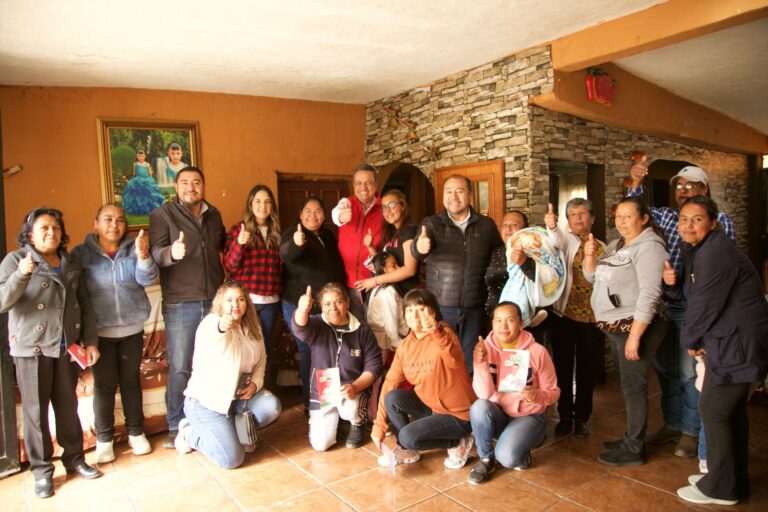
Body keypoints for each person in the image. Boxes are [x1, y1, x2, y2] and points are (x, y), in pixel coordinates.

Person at [628, 161, 736, 457]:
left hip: (694, 306)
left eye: (691, 186)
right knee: (666, 369)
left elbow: (722, 265)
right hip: (663, 305)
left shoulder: (720, 221)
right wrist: (636, 181)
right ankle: (673, 423)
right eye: (679, 186)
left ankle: (691, 431)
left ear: (704, 190)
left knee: (690, 372)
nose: (684, 191)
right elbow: (636, 207)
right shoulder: (664, 216)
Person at [665, 196, 768, 506]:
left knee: (715, 411)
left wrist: (691, 341)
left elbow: (703, 305)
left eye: (696, 219)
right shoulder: (703, 250)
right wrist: (672, 285)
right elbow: (690, 294)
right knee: (729, 413)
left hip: (736, 343)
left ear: (713, 222)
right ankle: (731, 478)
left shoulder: (714, 253)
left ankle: (721, 487)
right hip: (731, 341)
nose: (688, 225)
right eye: (683, 219)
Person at [0, 207, 101, 498]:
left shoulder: (68, 262)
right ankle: (42, 471)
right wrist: (21, 276)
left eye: (56, 228)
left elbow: (85, 303)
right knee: (35, 413)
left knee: (67, 407)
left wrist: (90, 341)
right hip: (31, 348)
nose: (51, 233)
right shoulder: (16, 260)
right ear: (30, 233)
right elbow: (3, 301)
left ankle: (74, 459)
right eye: (44, 228)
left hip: (64, 346)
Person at [583, 196, 668, 467]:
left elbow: (651, 294)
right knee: (628, 386)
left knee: (634, 387)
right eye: (618, 216)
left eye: (628, 216)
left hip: (634, 326)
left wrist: (635, 336)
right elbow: (592, 277)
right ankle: (631, 438)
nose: (621, 222)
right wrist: (588, 256)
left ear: (644, 218)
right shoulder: (616, 245)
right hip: (617, 327)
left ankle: (634, 449)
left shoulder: (650, 247)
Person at [71, 204, 159, 463]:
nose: (114, 225)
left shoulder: (135, 248)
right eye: (108, 219)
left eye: (120, 220)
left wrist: (144, 256)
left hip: (132, 329)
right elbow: (74, 292)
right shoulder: (81, 255)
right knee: (104, 385)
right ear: (95, 223)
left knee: (131, 381)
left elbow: (148, 279)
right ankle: (104, 440)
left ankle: (136, 433)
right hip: (98, 334)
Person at [149, 166, 225, 448]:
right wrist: (172, 252)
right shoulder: (162, 215)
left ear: (203, 186)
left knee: (215, 362)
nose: (191, 187)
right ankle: (175, 424)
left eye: (196, 182)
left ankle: (213, 416)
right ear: (176, 187)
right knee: (181, 365)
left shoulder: (214, 214)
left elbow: (222, 248)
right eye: (185, 182)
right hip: (181, 302)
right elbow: (156, 253)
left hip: (215, 300)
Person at [175, 281, 282, 468]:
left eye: (241, 299)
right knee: (231, 460)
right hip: (208, 404)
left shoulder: (252, 325)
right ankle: (190, 434)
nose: (235, 305)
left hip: (237, 399)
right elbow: (216, 332)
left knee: (271, 406)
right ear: (220, 304)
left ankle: (235, 433)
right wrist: (222, 326)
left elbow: (262, 359)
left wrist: (256, 384)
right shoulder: (211, 324)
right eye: (229, 300)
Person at [371, 288, 477, 470]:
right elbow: (389, 383)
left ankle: (457, 442)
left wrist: (436, 333)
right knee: (393, 397)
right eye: (409, 310)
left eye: (421, 309)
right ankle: (408, 450)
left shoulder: (445, 333)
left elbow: (455, 360)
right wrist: (379, 424)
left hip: (458, 415)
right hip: (433, 408)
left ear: (433, 312)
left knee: (407, 436)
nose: (415, 315)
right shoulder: (405, 346)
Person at [411, 175, 503, 371]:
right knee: (442, 362)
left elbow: (499, 257)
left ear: (470, 195)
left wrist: (493, 294)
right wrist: (419, 246)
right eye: (448, 191)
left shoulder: (487, 226)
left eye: (459, 191)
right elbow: (416, 251)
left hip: (475, 307)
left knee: (473, 363)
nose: (453, 196)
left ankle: (470, 401)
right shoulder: (431, 224)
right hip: (441, 308)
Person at [468, 302, 560, 483]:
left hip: (528, 416)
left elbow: (554, 393)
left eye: (510, 320)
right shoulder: (484, 348)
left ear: (520, 323)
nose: (503, 326)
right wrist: (480, 363)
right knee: (479, 407)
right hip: (499, 413)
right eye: (498, 320)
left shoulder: (537, 352)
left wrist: (537, 395)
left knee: (508, 458)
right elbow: (484, 395)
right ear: (492, 323)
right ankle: (486, 458)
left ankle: (523, 449)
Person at [291, 283, 382, 451]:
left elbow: (374, 366)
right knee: (320, 445)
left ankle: (357, 422)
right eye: (327, 304)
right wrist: (302, 310)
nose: (333, 308)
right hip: (323, 392)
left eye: (338, 302)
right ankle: (335, 422)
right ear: (321, 306)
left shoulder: (362, 330)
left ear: (347, 302)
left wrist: (355, 387)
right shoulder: (317, 324)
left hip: (352, 391)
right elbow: (300, 328)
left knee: (350, 410)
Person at [545, 199, 606, 438]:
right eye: (572, 214)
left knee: (586, 369)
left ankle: (582, 417)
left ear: (593, 219)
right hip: (564, 315)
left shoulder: (602, 246)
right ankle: (565, 416)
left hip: (591, 318)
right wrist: (552, 227)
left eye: (583, 214)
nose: (578, 218)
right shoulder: (566, 240)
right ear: (568, 221)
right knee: (563, 366)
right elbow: (555, 240)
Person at [280, 196, 347, 412]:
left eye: (318, 211)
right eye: (307, 211)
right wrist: (297, 244)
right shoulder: (293, 233)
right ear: (300, 214)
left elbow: (335, 265)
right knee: (310, 352)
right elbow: (287, 254)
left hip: (327, 306)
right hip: (299, 304)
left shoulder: (327, 235)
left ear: (324, 215)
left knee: (327, 351)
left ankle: (328, 402)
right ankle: (313, 406)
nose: (313, 215)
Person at [223, 185, 282, 356]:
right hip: (246, 301)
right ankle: (245, 384)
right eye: (258, 201)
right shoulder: (238, 230)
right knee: (243, 351)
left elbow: (282, 268)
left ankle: (262, 383)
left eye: (267, 202)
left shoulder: (277, 232)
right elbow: (229, 266)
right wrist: (239, 243)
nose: (262, 206)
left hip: (271, 301)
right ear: (250, 204)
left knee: (266, 351)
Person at [331, 163, 385, 319]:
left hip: (376, 281)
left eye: (368, 182)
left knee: (377, 327)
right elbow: (335, 213)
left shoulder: (384, 207)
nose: (363, 187)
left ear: (375, 185)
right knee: (354, 325)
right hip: (349, 282)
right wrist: (341, 217)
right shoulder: (347, 203)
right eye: (359, 183)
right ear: (354, 185)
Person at [354, 189, 419, 296]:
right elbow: (384, 261)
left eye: (391, 205)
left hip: (406, 294)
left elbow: (410, 269)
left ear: (403, 206)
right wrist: (370, 246)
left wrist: (374, 281)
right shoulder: (391, 232)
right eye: (384, 207)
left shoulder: (409, 231)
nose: (387, 211)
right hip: (392, 292)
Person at [485, 210, 530, 314]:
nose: (508, 229)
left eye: (514, 225)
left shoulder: (534, 252)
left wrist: (525, 262)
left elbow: (544, 280)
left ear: (525, 229)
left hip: (526, 316)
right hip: (495, 316)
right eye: (504, 225)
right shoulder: (493, 252)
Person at [366, 252, 408, 359]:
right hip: (384, 340)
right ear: (383, 269)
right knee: (380, 367)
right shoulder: (388, 291)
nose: (399, 268)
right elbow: (390, 320)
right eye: (393, 266)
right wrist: (398, 343)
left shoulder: (378, 287)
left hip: (381, 337)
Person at [121, 149, 165, 216]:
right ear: (137, 156)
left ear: (145, 156)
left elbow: (150, 173)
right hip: (138, 179)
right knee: (136, 191)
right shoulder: (135, 164)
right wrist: (132, 178)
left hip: (146, 179)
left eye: (142, 156)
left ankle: (149, 208)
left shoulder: (147, 164)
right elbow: (134, 173)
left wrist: (151, 173)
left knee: (148, 193)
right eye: (139, 156)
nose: (141, 157)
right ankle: (137, 208)